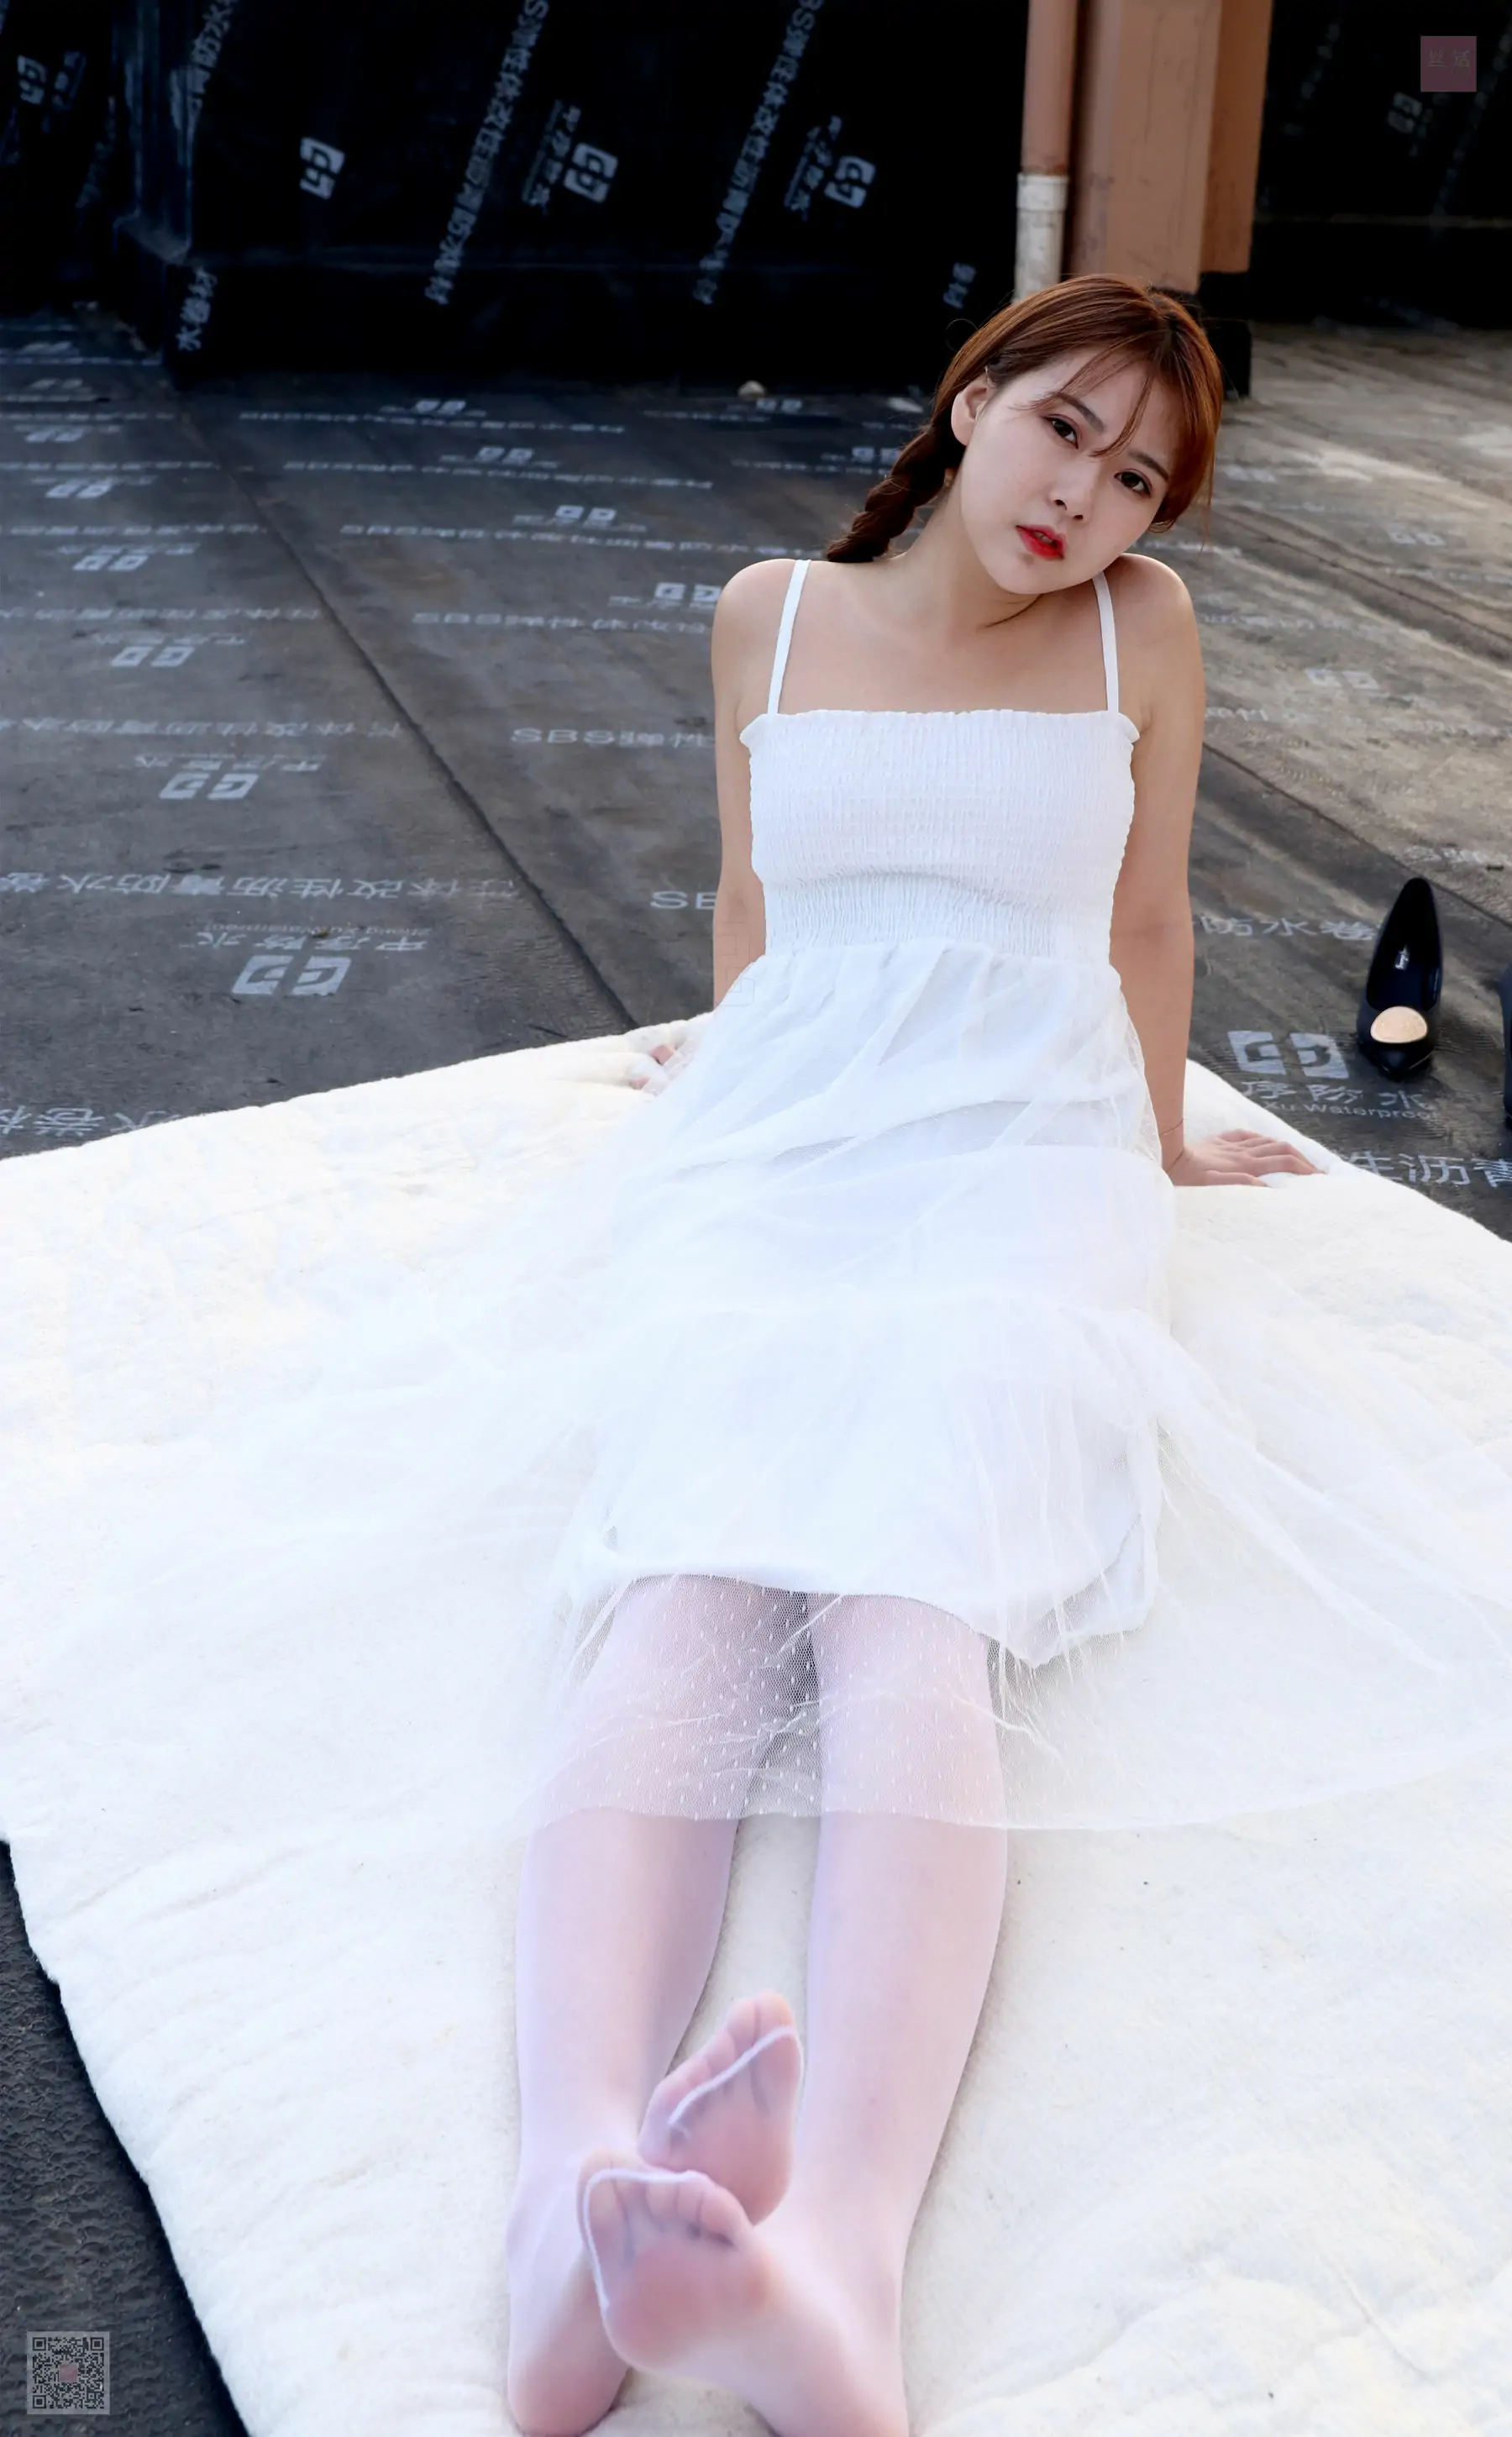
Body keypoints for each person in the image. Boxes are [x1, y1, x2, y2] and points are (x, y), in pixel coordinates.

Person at [495, 271, 1444, 2437]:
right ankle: (566, 2210)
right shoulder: (768, 616)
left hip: (1024, 1136)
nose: (1086, 498)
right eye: (1068, 429)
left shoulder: (1141, 635)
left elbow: (1147, 920)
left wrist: (1160, 1139)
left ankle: (836, 2264)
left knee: (912, 1599)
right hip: (796, 1136)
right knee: (689, 1570)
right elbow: (755, 907)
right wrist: (734, 1068)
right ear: (974, 395)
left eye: (1141, 481)